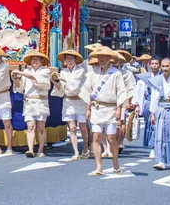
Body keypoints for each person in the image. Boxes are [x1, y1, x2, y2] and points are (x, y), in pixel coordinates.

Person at [80, 46, 127, 176]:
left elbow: (121, 91)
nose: (101, 59)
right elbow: (87, 91)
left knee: (111, 138)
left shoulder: (115, 73)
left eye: (104, 57)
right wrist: (87, 109)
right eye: (99, 57)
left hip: (111, 108)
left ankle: (116, 163)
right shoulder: (92, 73)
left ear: (109, 58)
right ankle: (98, 167)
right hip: (96, 108)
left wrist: (119, 109)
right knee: (96, 136)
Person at [12, 50, 52, 158]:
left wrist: (22, 73)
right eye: (33, 59)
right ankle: (30, 149)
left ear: (41, 61)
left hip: (41, 102)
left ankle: (41, 149)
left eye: (37, 59)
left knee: (41, 127)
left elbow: (39, 81)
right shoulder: (26, 71)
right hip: (29, 101)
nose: (34, 61)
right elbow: (20, 88)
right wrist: (15, 79)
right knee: (30, 126)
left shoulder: (45, 71)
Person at [51, 50, 89, 160]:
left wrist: (61, 78)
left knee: (82, 127)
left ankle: (86, 146)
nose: (69, 60)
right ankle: (76, 152)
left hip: (80, 100)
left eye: (71, 58)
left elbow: (74, 83)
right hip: (68, 101)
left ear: (75, 60)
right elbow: (61, 88)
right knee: (72, 128)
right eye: (67, 58)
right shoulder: (63, 72)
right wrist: (55, 82)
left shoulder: (80, 71)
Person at [132, 56, 161, 158]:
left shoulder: (163, 77)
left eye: (156, 64)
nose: (154, 66)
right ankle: (152, 146)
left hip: (161, 104)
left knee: (160, 126)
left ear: (160, 65)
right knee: (151, 125)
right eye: (152, 64)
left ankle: (157, 147)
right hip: (148, 103)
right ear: (150, 64)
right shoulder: (144, 78)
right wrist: (137, 105)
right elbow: (139, 93)